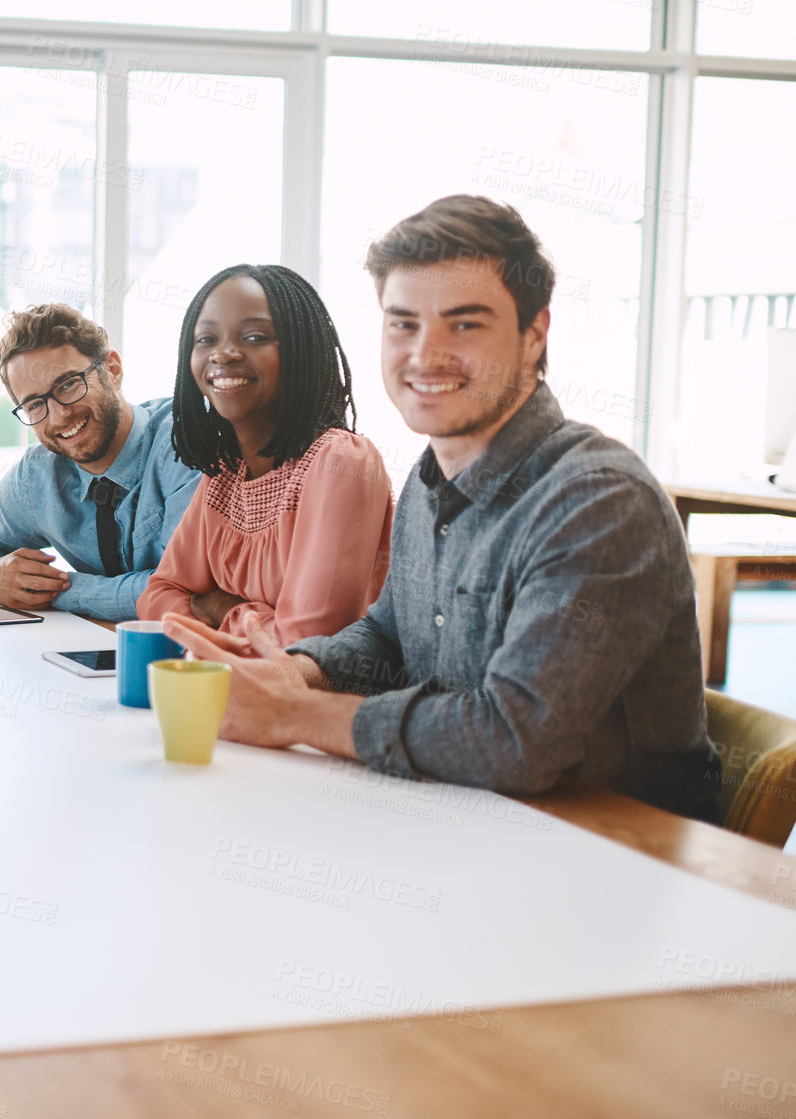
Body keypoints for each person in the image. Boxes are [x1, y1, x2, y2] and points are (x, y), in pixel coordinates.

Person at [164, 196, 720, 821]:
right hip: (462, 820)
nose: (425, 355)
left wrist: (294, 714)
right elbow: (387, 634)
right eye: (403, 323)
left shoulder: (599, 501)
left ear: (534, 336)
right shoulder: (430, 482)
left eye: (465, 323)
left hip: (615, 854)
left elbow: (517, 740)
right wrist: (295, 671)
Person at [137, 265, 392, 645]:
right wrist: (255, 624)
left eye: (255, 337)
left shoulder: (341, 462)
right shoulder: (226, 474)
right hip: (239, 695)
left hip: (328, 701)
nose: (223, 353)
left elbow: (307, 644)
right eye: (206, 339)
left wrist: (219, 609)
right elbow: (155, 597)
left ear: (300, 352)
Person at [0, 304, 201, 622]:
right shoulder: (37, 475)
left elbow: (186, 590)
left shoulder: (187, 441)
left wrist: (56, 592)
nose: (59, 416)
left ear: (112, 370)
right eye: (34, 404)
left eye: (68, 384)